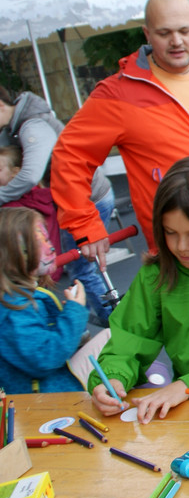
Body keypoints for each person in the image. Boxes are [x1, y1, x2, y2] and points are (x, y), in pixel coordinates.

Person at [51, 0, 189, 264]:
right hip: (180, 247)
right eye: (164, 33)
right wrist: (85, 225)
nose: (176, 41)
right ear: (147, 34)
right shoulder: (118, 93)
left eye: (184, 31)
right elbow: (70, 154)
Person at [88, 156, 189, 424]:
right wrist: (111, 379)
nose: (181, 246)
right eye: (170, 232)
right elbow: (128, 341)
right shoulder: (156, 276)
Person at [0, 86, 115, 324]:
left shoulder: (32, 125)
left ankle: (107, 321)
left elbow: (31, 175)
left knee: (81, 267)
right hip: (72, 199)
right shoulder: (12, 129)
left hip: (86, 199)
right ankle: (90, 320)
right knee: (79, 266)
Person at [0, 206, 87, 393]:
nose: (51, 248)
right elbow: (45, 358)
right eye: (37, 245)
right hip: (47, 403)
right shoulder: (14, 309)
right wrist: (75, 312)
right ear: (14, 258)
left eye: (47, 239)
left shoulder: (23, 296)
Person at [0, 145, 61, 276]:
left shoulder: (11, 210)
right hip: (49, 266)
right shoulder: (39, 197)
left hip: (27, 273)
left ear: (15, 172)